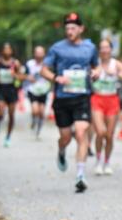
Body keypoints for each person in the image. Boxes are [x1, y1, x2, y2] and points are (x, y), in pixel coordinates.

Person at [41, 12, 99, 193]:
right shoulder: (57, 48)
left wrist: (96, 73)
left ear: (81, 29)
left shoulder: (90, 48)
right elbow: (44, 70)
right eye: (67, 28)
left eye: (73, 28)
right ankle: (61, 150)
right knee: (66, 137)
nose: (70, 31)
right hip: (62, 99)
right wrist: (56, 78)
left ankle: (80, 175)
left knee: (81, 133)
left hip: (82, 97)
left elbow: (95, 66)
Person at [89, 38, 122, 175]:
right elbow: (86, 76)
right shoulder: (94, 63)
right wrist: (93, 75)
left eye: (106, 47)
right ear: (99, 50)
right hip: (97, 99)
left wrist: (117, 74)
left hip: (112, 101)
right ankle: (98, 161)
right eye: (102, 47)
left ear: (111, 49)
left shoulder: (116, 64)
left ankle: (107, 162)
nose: (104, 50)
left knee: (109, 135)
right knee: (100, 132)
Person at [0, 43, 23, 147]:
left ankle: (8, 137)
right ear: (2, 51)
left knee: (11, 115)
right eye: (5, 49)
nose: (7, 51)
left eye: (9, 49)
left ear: (12, 51)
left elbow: (21, 76)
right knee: (1, 112)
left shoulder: (16, 63)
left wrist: (15, 76)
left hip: (12, 90)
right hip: (1, 89)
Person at [24, 45, 51, 139]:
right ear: (34, 54)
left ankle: (38, 130)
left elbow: (52, 75)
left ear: (44, 54)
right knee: (35, 110)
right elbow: (22, 75)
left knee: (42, 112)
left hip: (44, 89)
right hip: (32, 89)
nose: (39, 54)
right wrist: (28, 77)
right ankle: (34, 121)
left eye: (41, 52)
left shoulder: (48, 63)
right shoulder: (29, 64)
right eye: (37, 52)